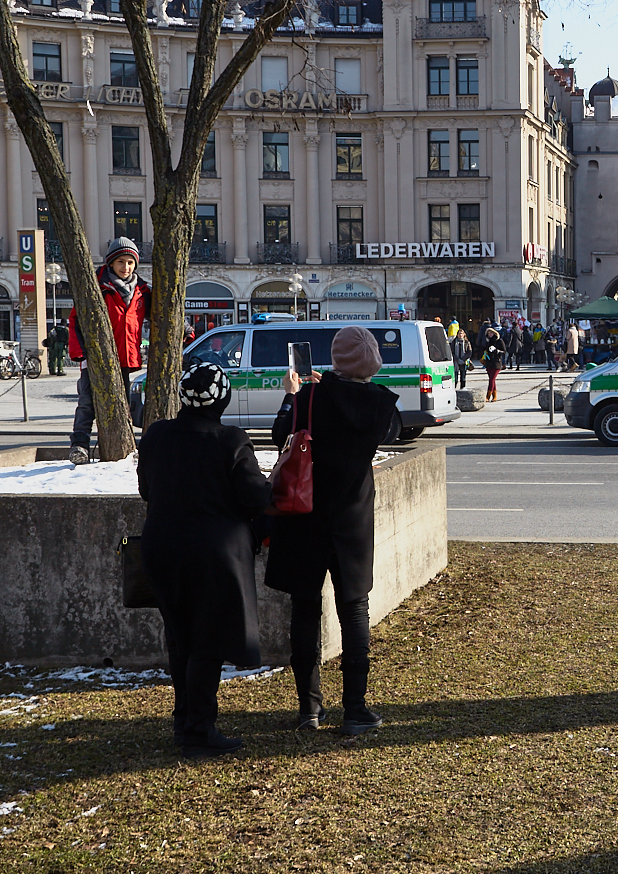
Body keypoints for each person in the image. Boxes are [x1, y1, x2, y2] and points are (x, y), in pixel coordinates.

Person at [269, 326, 401, 734]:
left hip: (305, 516)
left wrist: (292, 395)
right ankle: (356, 709)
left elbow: (280, 438)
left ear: (336, 360)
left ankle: (309, 708)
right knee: (354, 610)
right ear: (373, 362)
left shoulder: (308, 396)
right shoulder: (382, 405)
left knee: (305, 609)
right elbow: (379, 428)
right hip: (352, 519)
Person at [137, 361, 271, 758]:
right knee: (208, 641)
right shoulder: (230, 440)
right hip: (214, 557)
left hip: (161, 549)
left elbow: (147, 490)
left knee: (179, 637)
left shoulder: (157, 435)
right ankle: (199, 729)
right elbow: (255, 498)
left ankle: (185, 720)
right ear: (223, 399)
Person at [67, 237, 153, 463]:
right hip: (96, 357)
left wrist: (185, 328)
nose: (126, 268)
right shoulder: (97, 287)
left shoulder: (142, 291)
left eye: (130, 263)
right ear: (111, 264)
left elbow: (161, 314)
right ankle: (80, 444)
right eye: (121, 262)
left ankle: (122, 443)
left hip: (124, 357)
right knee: (87, 401)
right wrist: (81, 353)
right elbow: (76, 320)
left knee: (121, 402)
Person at [481, 324, 505, 402]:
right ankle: (494, 396)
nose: (490, 334)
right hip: (489, 362)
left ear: (494, 333)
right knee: (492, 380)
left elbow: (504, 351)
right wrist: (486, 345)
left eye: (491, 333)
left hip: (496, 363)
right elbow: (482, 349)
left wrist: (497, 350)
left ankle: (488, 396)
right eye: (488, 333)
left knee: (491, 379)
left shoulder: (499, 341)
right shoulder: (487, 341)